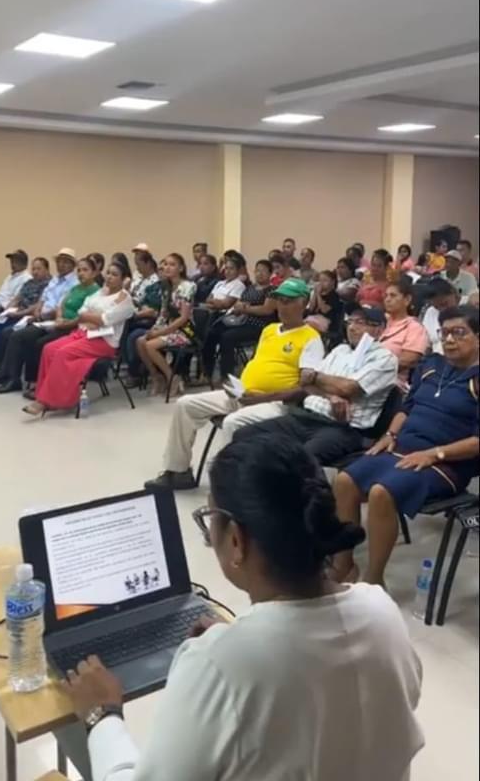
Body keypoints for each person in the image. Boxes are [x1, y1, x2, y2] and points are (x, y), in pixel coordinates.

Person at [60, 433, 423, 781]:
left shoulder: (219, 663)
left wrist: (101, 714)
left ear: (236, 540)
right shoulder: (382, 612)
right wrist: (232, 645)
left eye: (209, 521)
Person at [334, 305, 479, 587]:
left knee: (381, 492)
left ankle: (374, 581)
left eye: (459, 333)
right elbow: (407, 408)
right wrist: (390, 434)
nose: (449, 339)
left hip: (446, 463)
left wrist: (434, 454)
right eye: (445, 333)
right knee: (344, 481)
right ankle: (344, 564)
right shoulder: (432, 366)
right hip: (403, 447)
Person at [145, 279, 324, 490]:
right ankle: (178, 472)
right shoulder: (270, 330)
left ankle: (227, 490)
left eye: (288, 301)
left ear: (303, 304)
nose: (282, 307)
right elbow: (260, 364)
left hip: (276, 404)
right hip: (243, 394)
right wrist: (239, 386)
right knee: (185, 404)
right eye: (279, 301)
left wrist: (261, 398)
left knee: (233, 422)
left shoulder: (311, 338)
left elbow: (305, 389)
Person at [231, 305, 398, 472]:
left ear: (378, 329)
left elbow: (347, 388)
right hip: (305, 417)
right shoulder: (340, 350)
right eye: (350, 322)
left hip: (342, 428)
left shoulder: (384, 358)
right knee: (244, 435)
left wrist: (316, 376)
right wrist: (329, 395)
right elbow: (306, 384)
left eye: (360, 323)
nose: (352, 327)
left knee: (298, 461)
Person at [23, 262, 135, 416]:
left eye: (114, 275)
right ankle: (47, 395)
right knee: (49, 349)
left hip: (104, 341)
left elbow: (105, 319)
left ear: (123, 279)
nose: (109, 277)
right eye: (108, 273)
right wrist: (92, 317)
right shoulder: (101, 292)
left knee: (63, 353)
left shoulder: (125, 299)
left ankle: (44, 401)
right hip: (85, 333)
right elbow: (82, 310)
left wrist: (91, 317)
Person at [0, 251, 95, 395]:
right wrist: (38, 311)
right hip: (46, 319)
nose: (61, 265)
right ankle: (7, 374)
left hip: (57, 322)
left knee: (24, 338)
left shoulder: (74, 283)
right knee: (11, 333)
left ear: (72, 265)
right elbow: (46, 299)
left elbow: (66, 310)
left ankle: (27, 381)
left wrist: (49, 317)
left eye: (65, 262)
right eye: (59, 261)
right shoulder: (57, 280)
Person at [200, 259, 275, 383]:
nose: (259, 273)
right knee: (212, 332)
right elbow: (238, 304)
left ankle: (227, 376)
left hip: (258, 325)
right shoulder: (249, 288)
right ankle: (207, 372)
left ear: (270, 273)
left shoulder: (272, 290)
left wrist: (246, 308)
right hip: (240, 321)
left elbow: (266, 310)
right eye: (257, 271)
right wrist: (241, 308)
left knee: (227, 337)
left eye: (263, 271)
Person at [0, 257, 51, 372]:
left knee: (4, 331)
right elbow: (17, 298)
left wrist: (19, 314)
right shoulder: (29, 283)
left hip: (27, 315)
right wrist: (7, 310)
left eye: (38, 269)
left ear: (47, 270)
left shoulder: (48, 284)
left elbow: (36, 305)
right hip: (17, 311)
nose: (35, 272)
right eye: (33, 269)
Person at [135, 254, 196, 398]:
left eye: (172, 265)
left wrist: (159, 333)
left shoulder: (188, 286)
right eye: (166, 264)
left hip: (184, 330)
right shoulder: (165, 286)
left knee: (150, 345)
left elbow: (183, 318)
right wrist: (155, 329)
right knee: (140, 341)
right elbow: (163, 313)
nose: (167, 268)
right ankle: (156, 376)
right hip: (167, 327)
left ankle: (172, 377)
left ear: (181, 268)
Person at [380, 276, 429, 387]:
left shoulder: (414, 327)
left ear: (407, 300)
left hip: (391, 382)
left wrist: (374, 369)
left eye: (393, 295)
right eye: (386, 296)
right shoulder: (379, 321)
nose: (387, 299)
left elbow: (408, 360)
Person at [124, 253, 163, 387]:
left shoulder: (155, 283)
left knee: (133, 336)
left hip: (149, 321)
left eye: (139, 264)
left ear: (148, 264)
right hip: (138, 315)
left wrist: (137, 312)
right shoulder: (140, 280)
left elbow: (153, 310)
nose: (137, 268)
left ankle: (135, 373)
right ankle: (133, 367)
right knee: (122, 329)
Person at [420, 279, 459, 354]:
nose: (442, 309)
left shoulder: (468, 306)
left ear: (452, 293)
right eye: (436, 307)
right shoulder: (430, 312)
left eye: (444, 304)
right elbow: (426, 344)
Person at [305, 270, 343, 338]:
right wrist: (315, 294)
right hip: (313, 317)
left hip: (326, 321)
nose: (321, 283)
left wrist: (318, 295)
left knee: (307, 326)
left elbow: (324, 310)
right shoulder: (317, 293)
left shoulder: (334, 295)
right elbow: (311, 308)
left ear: (332, 282)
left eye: (325, 280)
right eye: (320, 281)